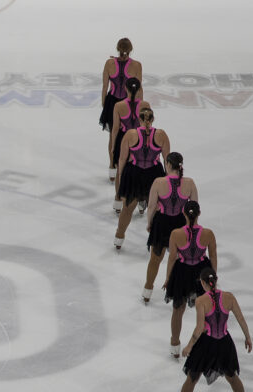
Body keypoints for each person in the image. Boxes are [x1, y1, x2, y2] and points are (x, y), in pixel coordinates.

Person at [166, 267, 251, 392]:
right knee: (232, 376)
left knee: (192, 377)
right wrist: (248, 337)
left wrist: (189, 346)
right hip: (225, 343)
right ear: (216, 280)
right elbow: (240, 318)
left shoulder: (201, 301)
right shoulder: (229, 297)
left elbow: (199, 328)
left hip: (206, 344)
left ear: (204, 283)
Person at [142, 152, 197, 303]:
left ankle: (147, 290)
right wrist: (190, 227)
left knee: (155, 259)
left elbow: (152, 206)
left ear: (168, 165)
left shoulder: (159, 182)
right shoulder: (190, 183)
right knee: (182, 260)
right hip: (180, 223)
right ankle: (185, 291)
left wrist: (149, 223)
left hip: (162, 223)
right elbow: (194, 207)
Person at [163, 201, 216, 357]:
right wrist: (212, 278)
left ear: (184, 213)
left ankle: (174, 344)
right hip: (202, 272)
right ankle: (203, 345)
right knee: (206, 310)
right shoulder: (208, 234)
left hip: (182, 272)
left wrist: (168, 279)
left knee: (178, 309)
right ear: (199, 213)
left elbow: (172, 258)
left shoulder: (176, 234)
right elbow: (212, 256)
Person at [113, 106, 169, 250]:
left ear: (139, 119)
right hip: (154, 174)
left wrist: (121, 177)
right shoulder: (161, 135)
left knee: (127, 208)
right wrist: (169, 181)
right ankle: (159, 240)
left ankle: (119, 237)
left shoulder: (131, 134)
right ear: (153, 119)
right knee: (158, 209)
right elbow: (167, 160)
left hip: (134, 174)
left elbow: (122, 159)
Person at [99, 38, 142, 183]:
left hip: (112, 102)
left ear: (117, 48)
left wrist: (105, 106)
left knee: (113, 135)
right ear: (131, 49)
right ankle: (127, 166)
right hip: (129, 103)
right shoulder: (136, 66)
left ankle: (112, 167)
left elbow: (105, 87)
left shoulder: (109, 63)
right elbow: (139, 89)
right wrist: (140, 108)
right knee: (130, 135)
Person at [109, 77, 148, 210]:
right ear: (138, 90)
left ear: (125, 88)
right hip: (139, 138)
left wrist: (113, 146)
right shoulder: (145, 105)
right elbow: (147, 125)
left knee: (121, 169)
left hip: (123, 138)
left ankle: (118, 199)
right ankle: (142, 199)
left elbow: (115, 129)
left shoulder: (118, 106)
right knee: (140, 169)